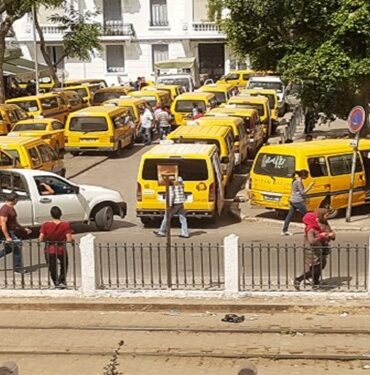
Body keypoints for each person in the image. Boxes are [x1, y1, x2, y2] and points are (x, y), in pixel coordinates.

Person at [294, 208, 335, 290]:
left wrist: (331, 235)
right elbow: (312, 240)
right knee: (315, 267)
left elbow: (331, 233)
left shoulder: (325, 222)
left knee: (321, 265)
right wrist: (322, 236)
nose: (328, 217)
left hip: (322, 247)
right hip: (313, 249)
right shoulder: (312, 227)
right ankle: (300, 279)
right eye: (326, 215)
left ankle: (316, 282)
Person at [39, 206, 73, 288]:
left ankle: (56, 282)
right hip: (61, 248)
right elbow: (69, 239)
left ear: (51, 214)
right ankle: (62, 280)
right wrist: (72, 241)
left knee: (52, 267)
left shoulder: (45, 225)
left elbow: (40, 239)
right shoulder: (65, 225)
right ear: (61, 214)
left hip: (49, 248)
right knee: (64, 265)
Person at [0, 192, 32, 273]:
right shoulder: (5, 209)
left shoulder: (11, 208)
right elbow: (2, 223)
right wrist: (7, 236)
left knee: (9, 249)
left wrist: (23, 229)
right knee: (17, 248)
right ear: (14, 200)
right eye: (17, 199)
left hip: (11, 231)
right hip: (9, 232)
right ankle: (17, 268)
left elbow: (15, 222)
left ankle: (17, 267)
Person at [282, 170, 314, 236]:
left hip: (293, 200)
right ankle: (311, 229)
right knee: (307, 215)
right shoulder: (299, 182)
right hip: (298, 201)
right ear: (303, 175)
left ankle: (284, 230)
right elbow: (302, 192)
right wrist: (310, 187)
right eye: (307, 175)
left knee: (290, 216)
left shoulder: (295, 180)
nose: (307, 177)